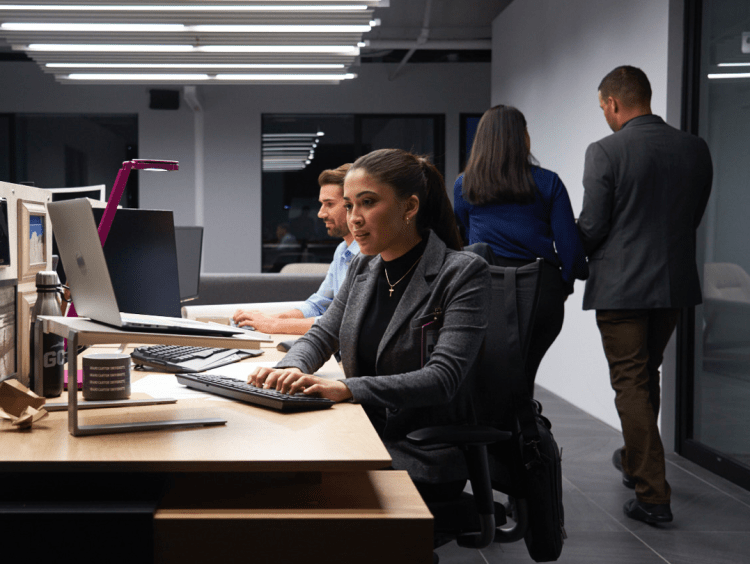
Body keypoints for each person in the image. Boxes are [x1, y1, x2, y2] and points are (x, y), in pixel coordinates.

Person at [248, 148, 491, 501]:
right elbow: (322, 335)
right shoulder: (364, 269)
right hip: (358, 433)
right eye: (349, 205)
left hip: (417, 451)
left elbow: (443, 378)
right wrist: (288, 370)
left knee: (291, 498)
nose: (354, 218)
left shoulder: (462, 274)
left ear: (409, 207)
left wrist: (348, 388)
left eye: (367, 203)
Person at [578, 65, 713, 524]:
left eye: (603, 108)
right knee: (645, 374)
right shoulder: (694, 148)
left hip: (621, 289)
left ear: (613, 104)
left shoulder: (605, 151)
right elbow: (690, 217)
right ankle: (637, 462)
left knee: (630, 381)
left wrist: (571, 252)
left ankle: (653, 495)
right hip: (672, 284)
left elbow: (593, 227)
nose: (604, 116)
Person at [454, 105, 588, 395]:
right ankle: (526, 435)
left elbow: (463, 239)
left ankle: (501, 435)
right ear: (522, 137)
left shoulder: (465, 185)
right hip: (540, 289)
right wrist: (563, 284)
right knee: (525, 375)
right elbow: (570, 249)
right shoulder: (548, 182)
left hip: (485, 288)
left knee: (492, 379)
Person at [233, 164, 359, 335]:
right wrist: (273, 319)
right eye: (321, 204)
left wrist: (274, 325)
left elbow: (346, 322)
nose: (321, 214)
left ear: (353, 205)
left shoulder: (372, 256)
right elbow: (318, 304)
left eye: (329, 204)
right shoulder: (342, 251)